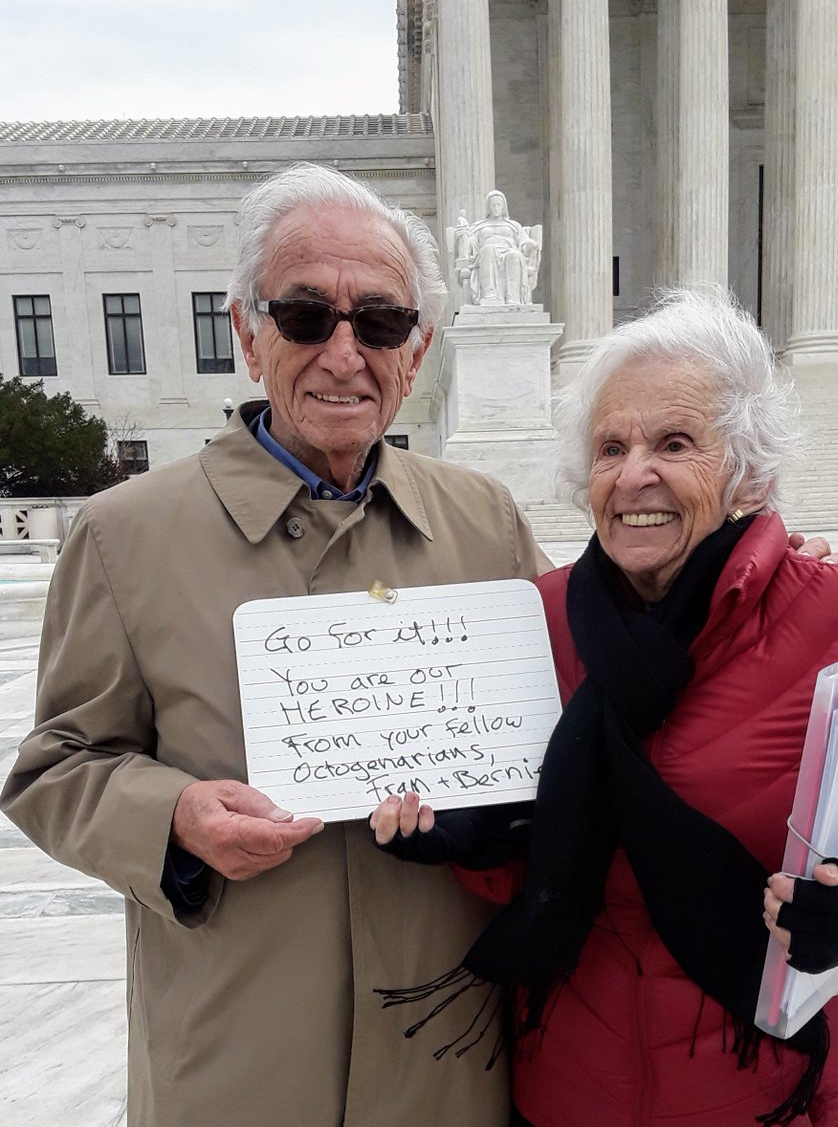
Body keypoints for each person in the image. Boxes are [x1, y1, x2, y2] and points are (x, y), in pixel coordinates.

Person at [370, 287, 838, 1126]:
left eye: (674, 443)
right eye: (611, 447)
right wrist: (467, 833)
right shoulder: (541, 623)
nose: (634, 473)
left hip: (791, 1091)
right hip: (578, 1083)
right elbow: (552, 858)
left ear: (747, 472)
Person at [0, 163, 552, 1127]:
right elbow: (54, 771)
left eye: (379, 322)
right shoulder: (126, 536)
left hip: (447, 1068)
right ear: (249, 333)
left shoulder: (486, 523)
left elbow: (583, 713)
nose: (346, 352)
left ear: (415, 352)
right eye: (307, 316)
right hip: (236, 1061)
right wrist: (172, 815)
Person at [452, 190, 541, 306]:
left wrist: (530, 245)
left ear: (503, 207)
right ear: (488, 207)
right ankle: (489, 294)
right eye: (493, 205)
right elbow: (470, 243)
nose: (496, 208)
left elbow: (523, 242)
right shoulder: (479, 226)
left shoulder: (513, 225)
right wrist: (461, 236)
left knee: (514, 255)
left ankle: (513, 298)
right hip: (485, 254)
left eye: (499, 205)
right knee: (488, 250)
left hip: (510, 251)